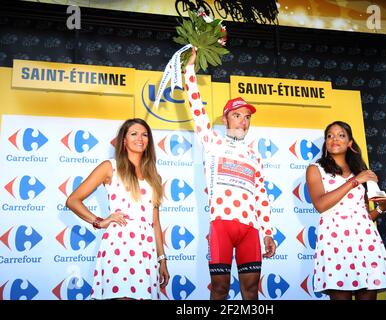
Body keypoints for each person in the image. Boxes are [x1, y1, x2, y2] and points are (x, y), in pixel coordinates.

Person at [183, 48, 276, 300]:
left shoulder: (254, 155)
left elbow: (262, 196)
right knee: (220, 290)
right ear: (226, 119)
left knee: (251, 292)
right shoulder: (212, 142)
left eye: (246, 117)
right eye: (237, 116)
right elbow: (196, 110)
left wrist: (267, 231)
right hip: (221, 225)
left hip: (250, 229)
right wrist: (189, 69)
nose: (243, 121)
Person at [66, 118, 169, 300]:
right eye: (134, 134)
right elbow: (73, 200)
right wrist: (99, 221)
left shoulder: (154, 177)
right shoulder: (110, 167)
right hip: (119, 246)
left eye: (145, 134)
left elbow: (155, 223)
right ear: (124, 140)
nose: (140, 138)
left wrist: (162, 259)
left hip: (147, 249)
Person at [305, 120, 386, 300]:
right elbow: (321, 204)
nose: (334, 139)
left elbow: (363, 215)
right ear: (325, 143)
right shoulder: (316, 169)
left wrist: (381, 208)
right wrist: (354, 182)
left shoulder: (361, 172)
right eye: (329, 136)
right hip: (335, 241)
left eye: (341, 135)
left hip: (365, 241)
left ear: (350, 143)